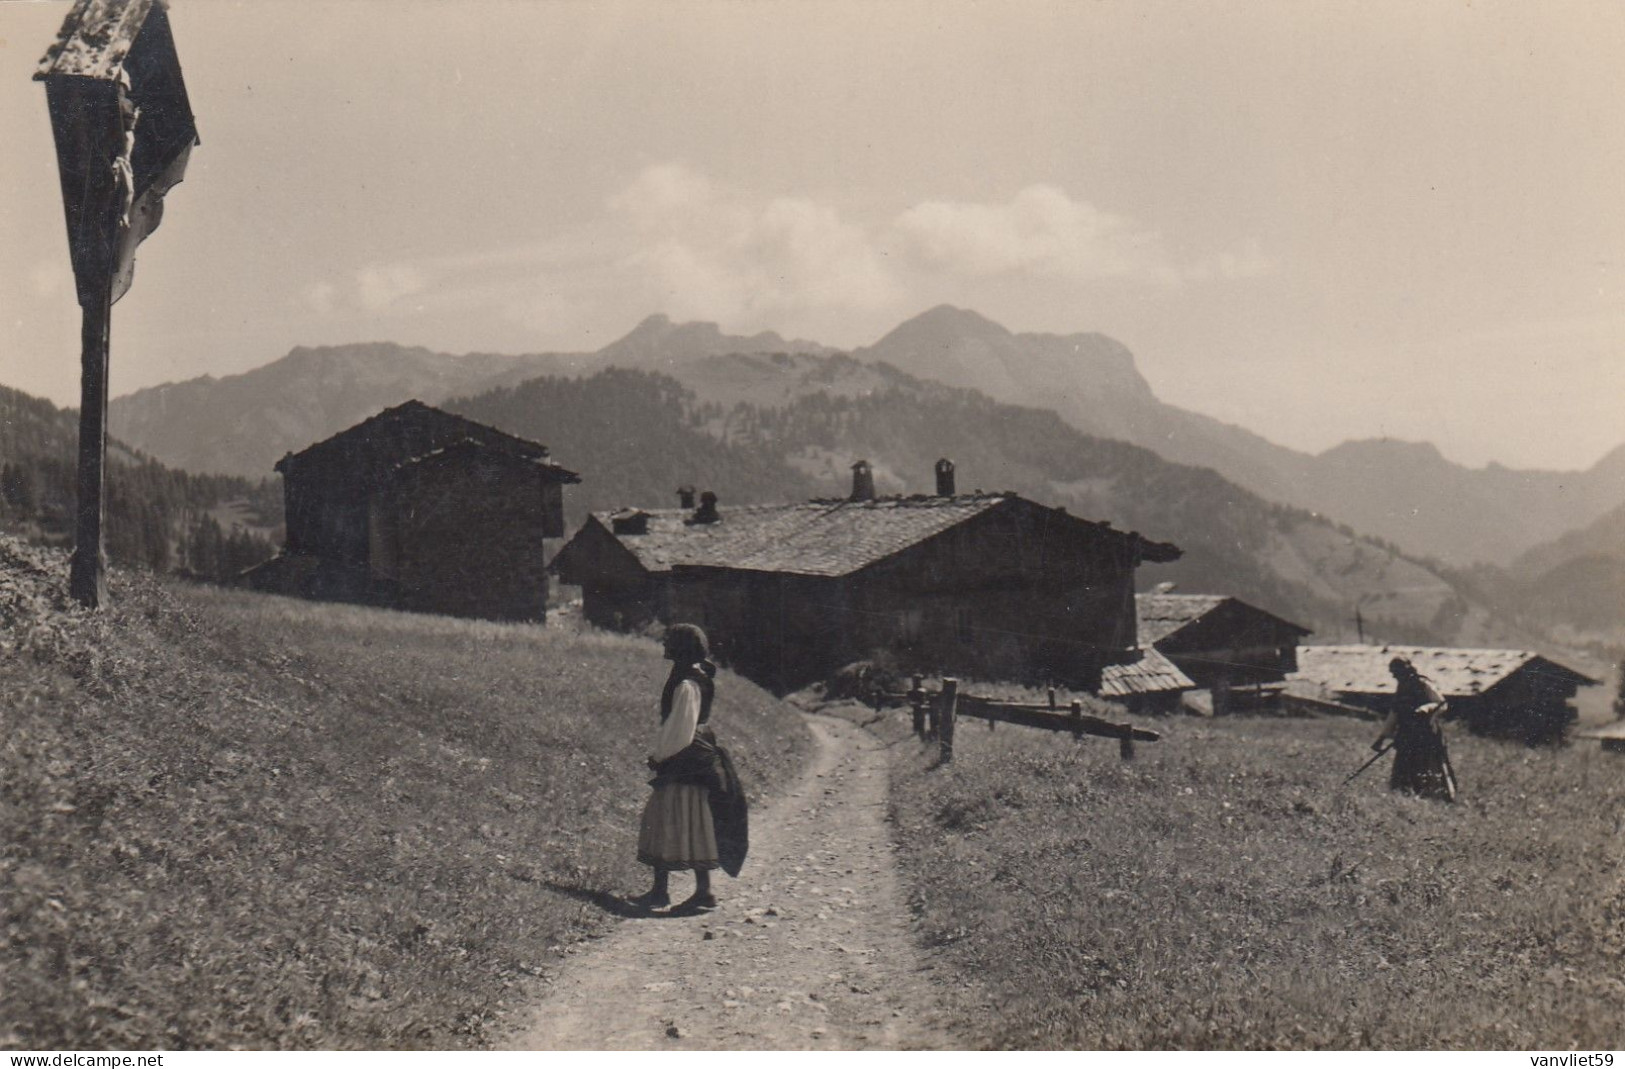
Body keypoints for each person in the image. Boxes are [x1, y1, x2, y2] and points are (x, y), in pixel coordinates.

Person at [631, 624, 746, 914]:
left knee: (675, 814)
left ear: (682, 647)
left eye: (670, 642)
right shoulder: (694, 674)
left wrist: (660, 756)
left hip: (687, 754)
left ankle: (696, 892)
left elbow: (681, 727)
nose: (664, 646)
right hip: (694, 750)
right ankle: (668, 890)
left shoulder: (688, 682)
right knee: (680, 815)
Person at [1373, 656, 1456, 801]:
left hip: (1427, 733)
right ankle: (1403, 796)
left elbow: (1441, 703)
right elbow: (1394, 714)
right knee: (1404, 766)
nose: (1394, 675)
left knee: (1429, 765)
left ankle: (1436, 797)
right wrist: (1382, 738)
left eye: (1396, 672)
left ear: (1405, 670)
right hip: (1406, 735)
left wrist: (1425, 708)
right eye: (1393, 672)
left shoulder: (1423, 684)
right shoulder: (1401, 688)